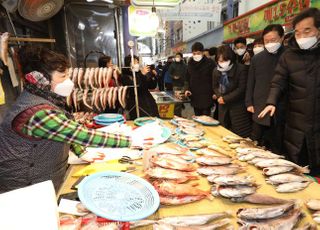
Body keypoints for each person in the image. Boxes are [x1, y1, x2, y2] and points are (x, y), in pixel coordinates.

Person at [0, 46, 148, 194]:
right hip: (25, 188)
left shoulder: (46, 98)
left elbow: (62, 132)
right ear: (38, 78)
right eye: (63, 77)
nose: (69, 82)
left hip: (44, 179)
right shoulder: (38, 113)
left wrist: (81, 152)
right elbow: (77, 133)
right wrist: (130, 141)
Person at [259, 8, 320, 176]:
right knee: (298, 173)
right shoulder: (289, 56)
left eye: (307, 31)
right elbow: (278, 81)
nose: (302, 37)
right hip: (296, 125)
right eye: (298, 33)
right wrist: (271, 101)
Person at [246, 24, 286, 153]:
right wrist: (249, 102)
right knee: (256, 143)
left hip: (282, 108)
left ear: (282, 38)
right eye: (266, 41)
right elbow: (251, 82)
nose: (269, 43)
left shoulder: (289, 56)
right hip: (260, 107)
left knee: (277, 145)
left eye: (273, 40)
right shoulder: (257, 59)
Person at [212, 45, 251, 137]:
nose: (222, 63)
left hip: (238, 106)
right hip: (222, 106)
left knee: (239, 133)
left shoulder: (241, 69)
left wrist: (225, 98)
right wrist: (219, 96)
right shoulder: (216, 71)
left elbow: (241, 89)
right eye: (220, 61)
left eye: (225, 60)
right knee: (224, 131)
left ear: (231, 58)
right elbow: (215, 86)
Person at [121, 55, 159, 119]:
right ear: (129, 63)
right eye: (135, 62)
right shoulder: (124, 76)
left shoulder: (140, 73)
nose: (137, 64)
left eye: (137, 62)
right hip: (136, 103)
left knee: (153, 120)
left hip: (149, 102)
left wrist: (153, 76)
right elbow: (135, 88)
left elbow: (152, 86)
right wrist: (142, 74)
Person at [185, 42, 215, 116]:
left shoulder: (210, 63)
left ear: (202, 52)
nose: (196, 55)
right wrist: (187, 89)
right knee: (197, 117)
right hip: (194, 95)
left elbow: (215, 78)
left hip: (207, 95)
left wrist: (215, 92)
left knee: (206, 118)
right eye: (194, 53)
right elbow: (187, 78)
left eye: (198, 53)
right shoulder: (190, 63)